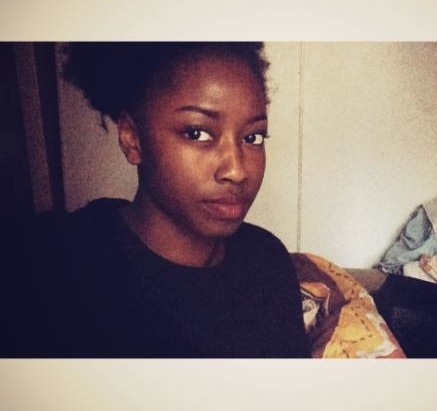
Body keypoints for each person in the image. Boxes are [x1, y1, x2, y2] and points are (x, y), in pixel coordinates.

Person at [1, 42, 310, 358]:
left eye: (252, 137)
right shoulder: (53, 268)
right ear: (132, 139)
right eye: (197, 133)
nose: (237, 171)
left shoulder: (267, 262)